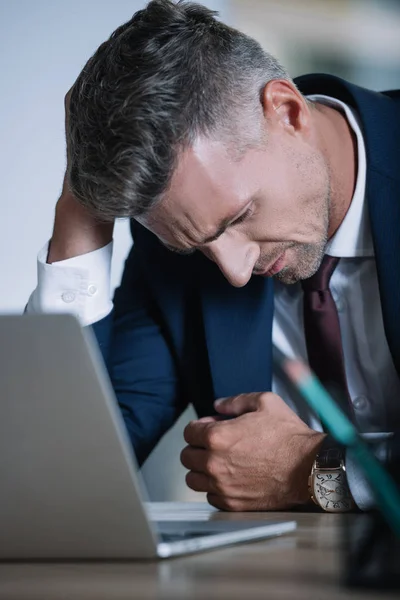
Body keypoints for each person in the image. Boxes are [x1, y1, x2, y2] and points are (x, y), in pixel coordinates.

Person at [27, 0, 400, 513]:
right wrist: (80, 211)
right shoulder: (174, 252)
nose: (235, 272)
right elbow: (59, 484)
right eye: (196, 247)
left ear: (288, 113)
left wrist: (310, 468)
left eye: (238, 218)